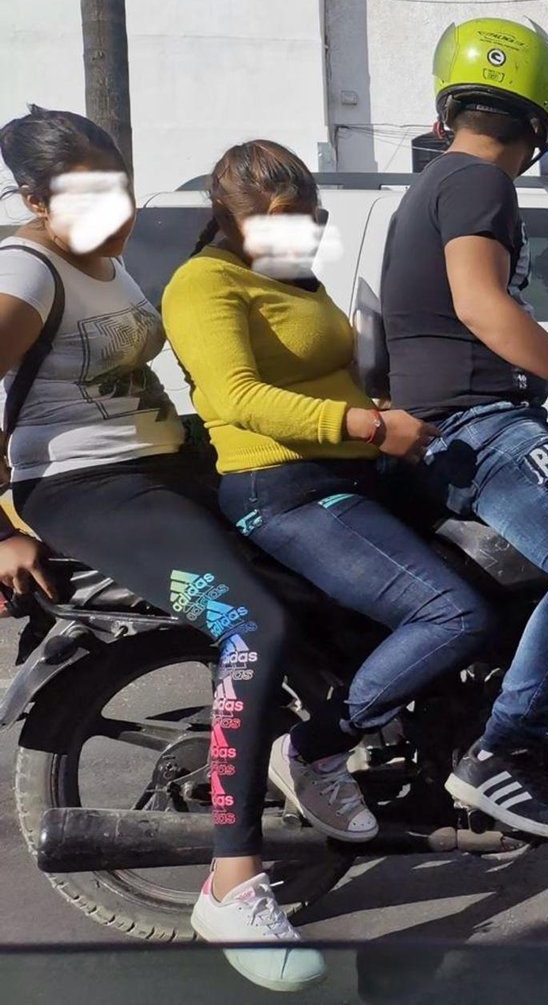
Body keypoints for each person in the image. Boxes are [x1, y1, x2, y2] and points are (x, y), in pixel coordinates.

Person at [0, 107, 324, 993]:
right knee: (251, 622)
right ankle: (232, 883)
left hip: (166, 466)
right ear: (36, 200)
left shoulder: (101, 260)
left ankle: (324, 754)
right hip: (89, 490)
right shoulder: (26, 268)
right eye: (90, 196)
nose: (117, 211)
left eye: (122, 190)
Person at [162, 141, 493, 847]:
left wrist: (387, 408)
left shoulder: (290, 277)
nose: (314, 230)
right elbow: (239, 396)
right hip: (284, 487)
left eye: (319, 218)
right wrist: (366, 424)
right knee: (452, 614)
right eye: (304, 217)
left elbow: (325, 373)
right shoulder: (203, 283)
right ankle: (313, 751)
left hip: (349, 475)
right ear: (258, 215)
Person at [381, 17, 548, 843]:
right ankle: (501, 749)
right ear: (539, 123)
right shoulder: (480, 183)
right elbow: (481, 306)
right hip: (477, 425)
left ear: (450, 106)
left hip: (450, 419)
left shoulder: (432, 183)